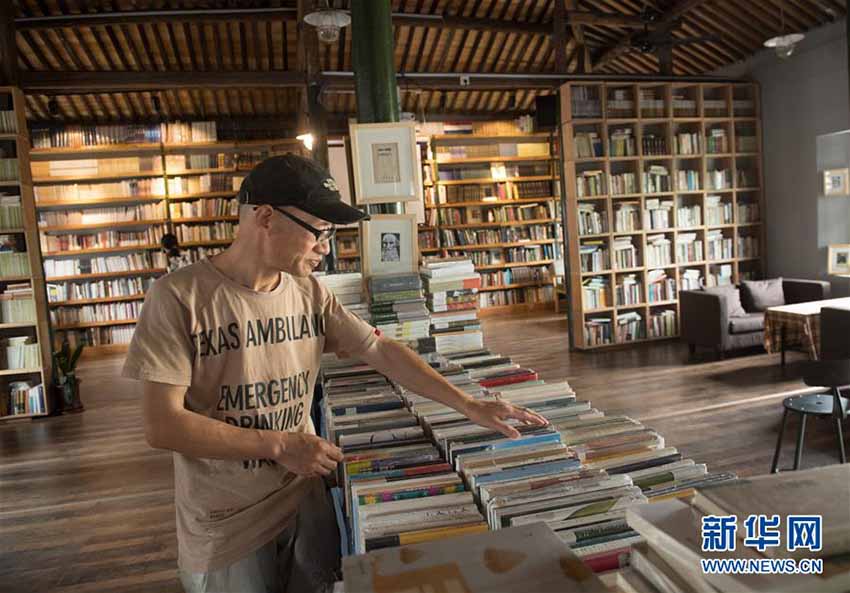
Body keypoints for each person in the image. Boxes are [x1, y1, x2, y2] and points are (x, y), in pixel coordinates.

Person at [122, 154, 547, 593]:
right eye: (319, 230)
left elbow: (378, 348)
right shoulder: (178, 297)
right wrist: (279, 444)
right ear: (266, 217)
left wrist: (468, 404)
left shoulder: (308, 291)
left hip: (305, 497)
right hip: (227, 522)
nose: (326, 246)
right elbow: (162, 425)